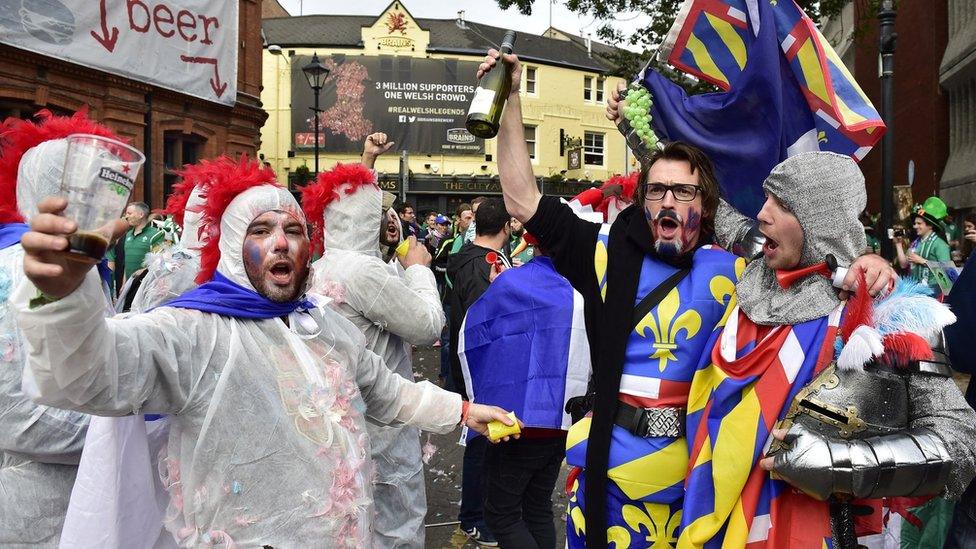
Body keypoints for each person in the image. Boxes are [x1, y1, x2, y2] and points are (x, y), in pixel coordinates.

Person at [480, 46, 894, 549]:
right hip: (608, 479)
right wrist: (509, 101)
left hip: (701, 488)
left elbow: (816, 258)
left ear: (707, 204)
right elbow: (522, 200)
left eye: (684, 192)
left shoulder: (744, 269)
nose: (669, 201)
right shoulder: (607, 253)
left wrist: (870, 263)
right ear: (643, 198)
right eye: (657, 191)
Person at [13, 156, 515, 547]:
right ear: (233, 247)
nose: (281, 243)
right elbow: (86, 374)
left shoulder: (325, 325)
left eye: (292, 230)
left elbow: (388, 394)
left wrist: (464, 410)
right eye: (261, 231)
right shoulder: (194, 332)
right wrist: (61, 300)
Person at [676, 152, 976, 547]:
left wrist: (842, 465)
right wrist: (639, 131)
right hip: (716, 520)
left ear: (820, 221)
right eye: (766, 199)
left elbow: (959, 441)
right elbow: (720, 215)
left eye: (782, 204)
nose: (762, 214)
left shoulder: (889, 314)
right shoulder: (759, 271)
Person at [302, 132, 444, 548]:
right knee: (394, 527)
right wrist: (418, 268)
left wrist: (367, 162)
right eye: (379, 214)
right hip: (382, 424)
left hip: (340, 421)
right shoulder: (365, 272)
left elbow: (354, 203)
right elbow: (427, 325)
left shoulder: (320, 266)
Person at [0, 109, 118, 547]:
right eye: (89, 190)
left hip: (82, 500)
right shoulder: (18, 269)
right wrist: (125, 426)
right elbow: (16, 418)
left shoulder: (77, 264)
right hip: (33, 510)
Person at [460, 240, 591, 549]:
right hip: (563, 419)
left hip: (515, 419)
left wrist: (497, 287)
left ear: (534, 244)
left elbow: (479, 331)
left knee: (502, 514)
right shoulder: (586, 286)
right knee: (537, 507)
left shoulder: (511, 281)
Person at [448, 197, 513, 547]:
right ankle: (473, 518)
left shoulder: (481, 258)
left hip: (484, 364)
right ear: (506, 226)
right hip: (481, 365)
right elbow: (480, 319)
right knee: (480, 441)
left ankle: (484, 511)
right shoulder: (481, 263)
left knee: (492, 440)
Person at [895, 196, 952, 294]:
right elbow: (904, 264)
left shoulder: (939, 244)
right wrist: (898, 244)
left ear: (930, 225)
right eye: (915, 223)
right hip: (916, 290)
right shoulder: (916, 243)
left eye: (919, 223)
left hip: (933, 293)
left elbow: (948, 272)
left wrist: (922, 261)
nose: (915, 226)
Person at [107, 201, 165, 287]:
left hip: (146, 285)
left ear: (141, 215)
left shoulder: (156, 234)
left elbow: (160, 261)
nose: (126, 216)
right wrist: (124, 284)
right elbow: (126, 264)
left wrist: (143, 271)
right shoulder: (127, 235)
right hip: (129, 285)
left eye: (129, 213)